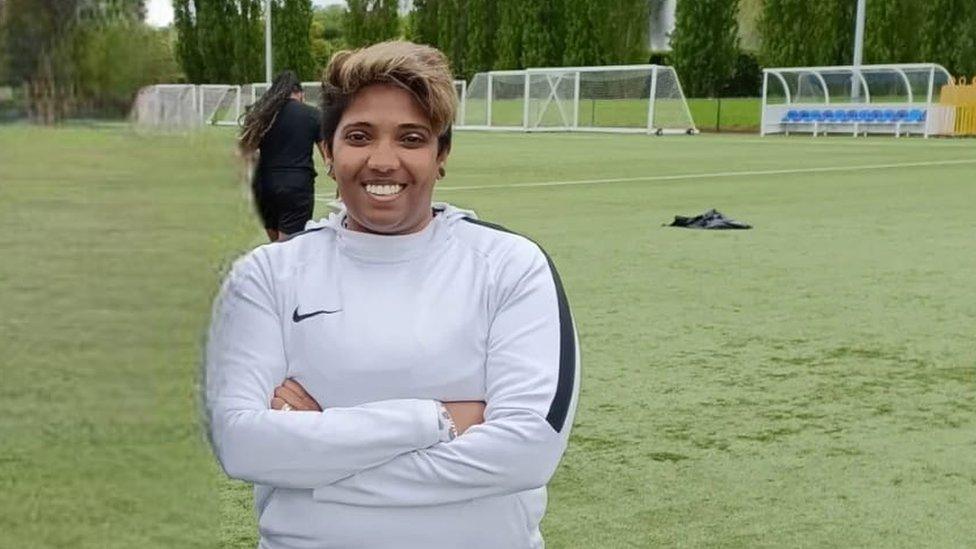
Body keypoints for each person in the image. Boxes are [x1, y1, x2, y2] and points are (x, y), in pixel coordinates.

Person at [205, 41, 579, 549]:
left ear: (441, 154)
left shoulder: (511, 266)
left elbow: (527, 453)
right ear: (328, 153)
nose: (383, 161)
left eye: (411, 138)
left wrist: (317, 459)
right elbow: (241, 444)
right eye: (359, 136)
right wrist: (434, 419)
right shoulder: (266, 276)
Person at [239, 70, 327, 242]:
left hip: (264, 184)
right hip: (296, 186)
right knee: (288, 249)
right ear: (300, 93)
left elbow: (245, 151)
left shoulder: (261, 114)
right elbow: (328, 156)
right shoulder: (312, 114)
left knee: (276, 246)